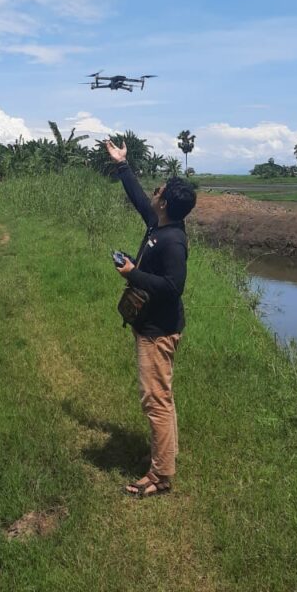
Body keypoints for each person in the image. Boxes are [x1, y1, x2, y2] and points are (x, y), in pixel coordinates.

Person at [105, 138, 197, 498]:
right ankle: (165, 458)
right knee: (162, 397)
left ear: (166, 203)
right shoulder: (158, 223)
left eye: (158, 191)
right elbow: (138, 200)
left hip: (159, 332)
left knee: (155, 401)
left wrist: (131, 272)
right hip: (151, 325)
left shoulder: (173, 240)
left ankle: (160, 476)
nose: (153, 193)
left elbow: (174, 287)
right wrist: (122, 164)